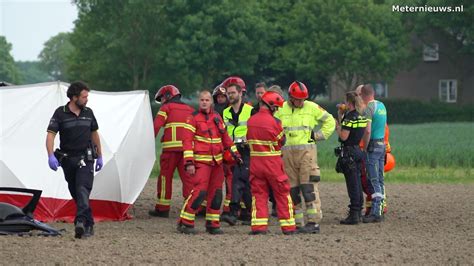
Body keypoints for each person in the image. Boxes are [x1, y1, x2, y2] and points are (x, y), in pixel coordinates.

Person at [274, 81, 335, 233]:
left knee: (308, 188)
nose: (301, 102)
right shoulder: (281, 109)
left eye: (302, 99)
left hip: (307, 154)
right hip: (287, 154)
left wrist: (318, 135)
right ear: (290, 97)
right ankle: (298, 222)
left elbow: (330, 121)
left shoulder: (312, 107)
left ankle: (313, 222)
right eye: (297, 99)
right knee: (292, 190)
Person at [46, 81, 103, 239]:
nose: (87, 99)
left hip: (87, 158)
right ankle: (89, 223)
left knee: (82, 188)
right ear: (74, 97)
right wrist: (50, 155)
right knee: (75, 192)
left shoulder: (89, 113)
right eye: (84, 97)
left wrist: (100, 156)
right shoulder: (60, 113)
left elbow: (95, 134)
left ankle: (80, 222)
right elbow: (51, 135)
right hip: (67, 160)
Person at [177, 90, 239, 235]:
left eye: (207, 100)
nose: (204, 102)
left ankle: (212, 223)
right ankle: (185, 222)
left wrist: (235, 154)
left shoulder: (217, 117)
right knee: (200, 192)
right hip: (201, 163)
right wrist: (189, 163)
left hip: (217, 162)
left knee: (217, 194)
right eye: (202, 100)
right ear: (199, 102)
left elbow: (226, 138)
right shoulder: (192, 118)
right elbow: (186, 142)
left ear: (211, 102)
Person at [247, 91, 297, 235]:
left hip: (255, 163)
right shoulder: (275, 122)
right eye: (275, 107)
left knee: (258, 194)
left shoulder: (251, 121)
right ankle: (288, 227)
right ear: (271, 106)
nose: (276, 110)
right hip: (273, 163)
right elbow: (282, 141)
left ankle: (258, 227)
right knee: (282, 193)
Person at [148, 85, 195, 218]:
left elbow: (156, 126)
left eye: (162, 98)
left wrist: (147, 143)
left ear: (168, 96)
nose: (162, 101)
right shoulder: (191, 110)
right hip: (187, 151)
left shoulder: (166, 108)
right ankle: (190, 208)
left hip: (170, 151)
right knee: (189, 179)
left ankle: (162, 208)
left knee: (165, 178)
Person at [220, 76, 253, 226]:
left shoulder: (250, 111)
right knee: (243, 182)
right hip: (231, 151)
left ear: (240, 93)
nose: (230, 95)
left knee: (237, 180)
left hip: (246, 150)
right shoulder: (225, 112)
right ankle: (250, 213)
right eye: (228, 93)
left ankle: (233, 213)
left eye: (233, 92)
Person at [335, 91, 368, 225]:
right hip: (358, 151)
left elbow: (344, 137)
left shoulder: (349, 118)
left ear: (349, 103)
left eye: (345, 102)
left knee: (352, 184)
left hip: (349, 152)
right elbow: (365, 132)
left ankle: (354, 214)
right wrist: (340, 115)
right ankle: (358, 212)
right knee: (358, 183)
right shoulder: (361, 116)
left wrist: (337, 126)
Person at [360, 84, 387, 223]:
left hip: (373, 146)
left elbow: (368, 130)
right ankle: (381, 209)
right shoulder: (382, 105)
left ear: (363, 95)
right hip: (382, 145)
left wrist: (364, 146)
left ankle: (375, 212)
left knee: (373, 179)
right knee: (380, 179)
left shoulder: (369, 108)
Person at [212, 85, 233, 216]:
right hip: (216, 149)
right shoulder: (212, 112)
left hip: (229, 149)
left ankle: (228, 208)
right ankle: (209, 207)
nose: (220, 99)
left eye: (223, 97)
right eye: (218, 97)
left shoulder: (231, 111)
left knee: (230, 179)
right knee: (215, 180)